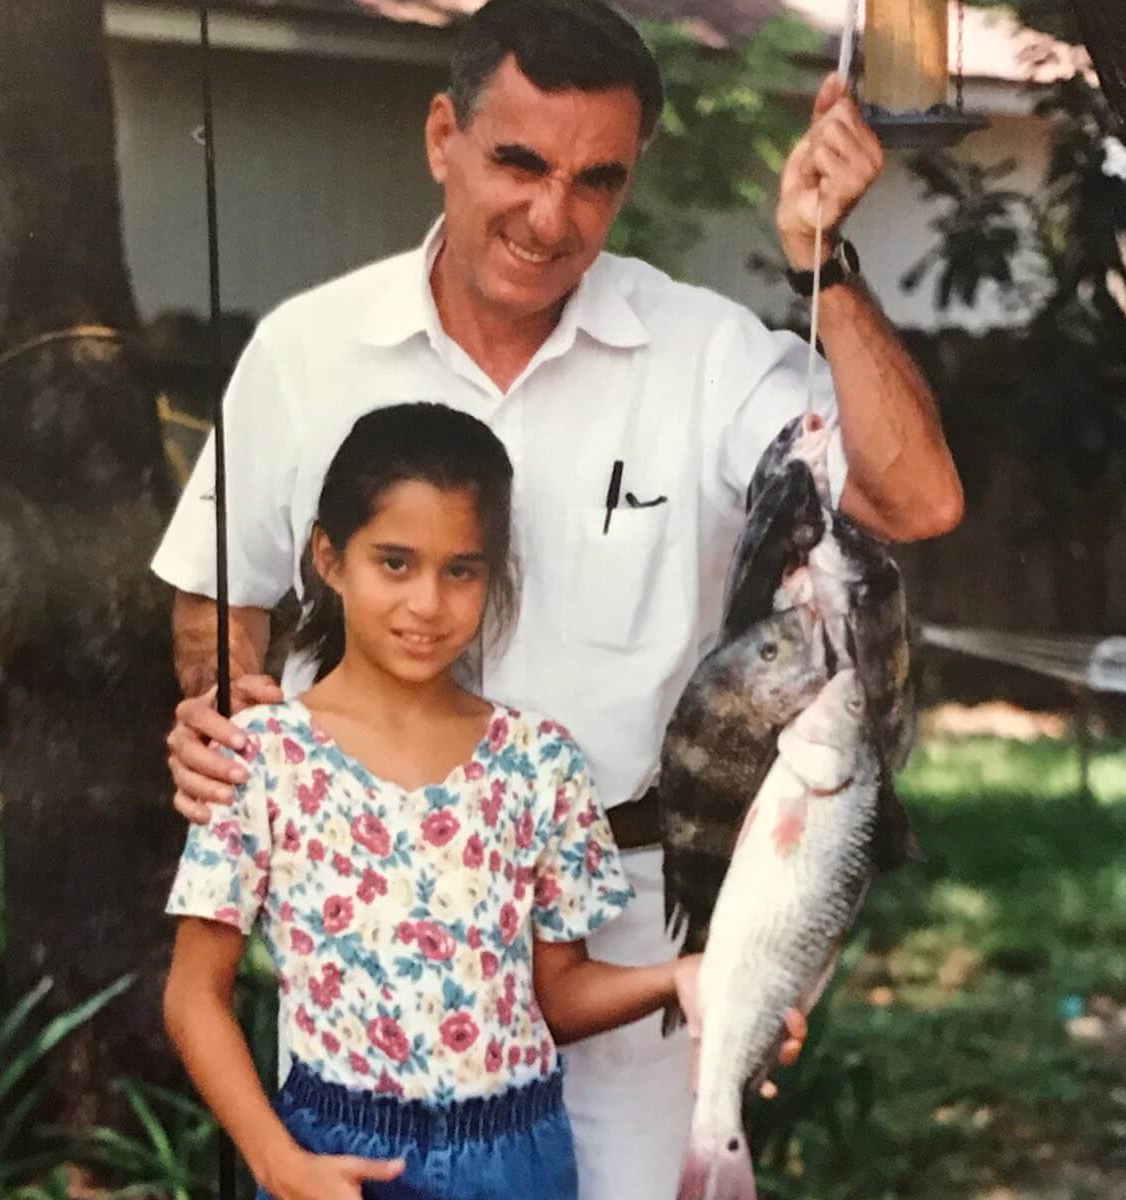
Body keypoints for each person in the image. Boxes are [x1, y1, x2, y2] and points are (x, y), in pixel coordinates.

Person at [154, 2, 963, 1196]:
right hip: (381, 945)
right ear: (443, 135)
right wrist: (232, 722)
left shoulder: (703, 351)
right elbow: (218, 598)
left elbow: (915, 502)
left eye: (596, 180)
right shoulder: (305, 349)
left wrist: (824, 264)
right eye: (518, 163)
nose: (551, 215)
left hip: (639, 906)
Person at [164, 402, 700, 1200]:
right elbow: (193, 995)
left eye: (461, 570)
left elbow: (558, 994)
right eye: (395, 563)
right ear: (329, 558)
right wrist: (278, 1161)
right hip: (336, 1157)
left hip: (520, 1161)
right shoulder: (262, 754)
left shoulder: (538, 760)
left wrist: (684, 976)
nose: (428, 604)